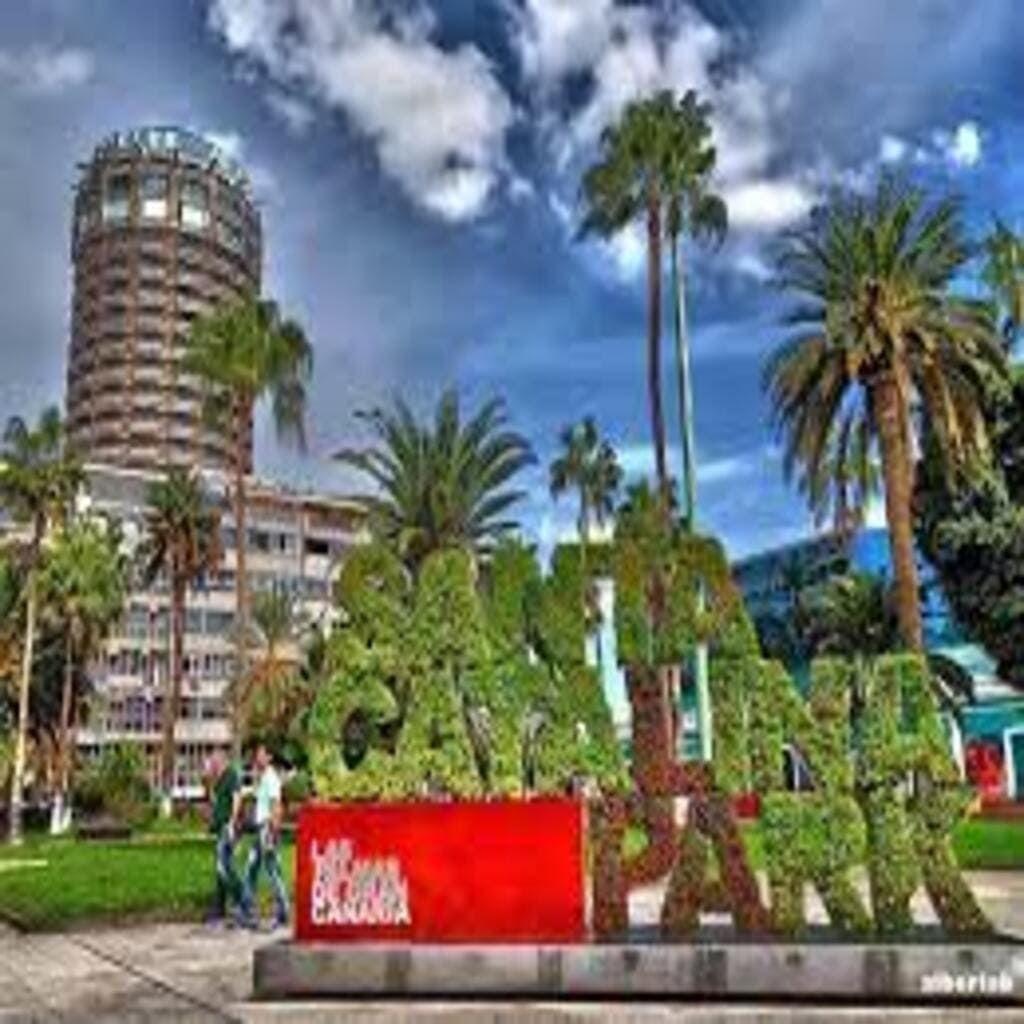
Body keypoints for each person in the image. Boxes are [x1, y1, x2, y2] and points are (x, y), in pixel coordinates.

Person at [238, 742, 289, 930]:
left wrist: (273, 831)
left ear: (269, 757)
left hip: (266, 829)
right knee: (254, 868)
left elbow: (276, 805)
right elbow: (257, 795)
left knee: (271, 871)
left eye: (261, 754)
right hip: (262, 828)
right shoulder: (264, 777)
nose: (257, 757)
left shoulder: (272, 778)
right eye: (257, 753)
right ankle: (247, 909)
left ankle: (282, 910)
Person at [205, 751, 243, 925]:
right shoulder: (218, 778)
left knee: (224, 867)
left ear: (221, 760)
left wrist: (231, 823)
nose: (211, 764)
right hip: (220, 827)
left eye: (213, 761)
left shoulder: (232, 775)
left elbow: (236, 799)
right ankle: (221, 906)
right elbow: (215, 800)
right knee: (222, 867)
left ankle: (240, 900)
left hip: (227, 828)